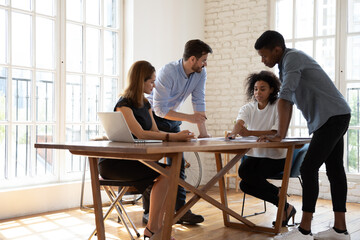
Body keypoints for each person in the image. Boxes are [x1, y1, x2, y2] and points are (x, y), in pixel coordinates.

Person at [254, 30, 351, 240]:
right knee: (334, 170)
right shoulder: (285, 64)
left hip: (332, 116)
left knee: (308, 168)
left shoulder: (292, 58)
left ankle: (304, 231)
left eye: (264, 55)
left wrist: (280, 134)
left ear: (277, 50)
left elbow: (285, 98)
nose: (263, 60)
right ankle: (340, 230)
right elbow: (287, 97)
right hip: (334, 115)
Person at [98, 60, 195, 240]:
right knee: (166, 173)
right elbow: (141, 133)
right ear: (140, 81)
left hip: (134, 161)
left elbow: (155, 132)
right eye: (151, 81)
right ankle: (154, 230)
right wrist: (174, 137)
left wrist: (179, 135)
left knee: (168, 173)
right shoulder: (124, 104)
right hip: (115, 163)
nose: (155, 84)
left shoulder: (145, 103)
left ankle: (153, 228)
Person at [143, 39, 213, 225]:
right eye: (203, 60)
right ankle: (148, 213)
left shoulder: (200, 73)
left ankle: (180, 212)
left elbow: (199, 101)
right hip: (154, 119)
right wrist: (189, 118)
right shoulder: (168, 72)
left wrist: (203, 133)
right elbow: (159, 110)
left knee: (178, 165)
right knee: (153, 165)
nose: (205, 64)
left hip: (172, 118)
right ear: (192, 59)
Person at [226, 70, 296, 226]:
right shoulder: (248, 107)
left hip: (277, 157)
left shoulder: (279, 105)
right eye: (256, 89)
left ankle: (282, 200)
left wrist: (249, 132)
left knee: (245, 176)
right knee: (244, 182)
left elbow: (276, 131)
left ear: (271, 89)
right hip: (256, 155)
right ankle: (284, 203)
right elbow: (240, 123)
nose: (258, 92)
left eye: (262, 89)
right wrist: (233, 133)